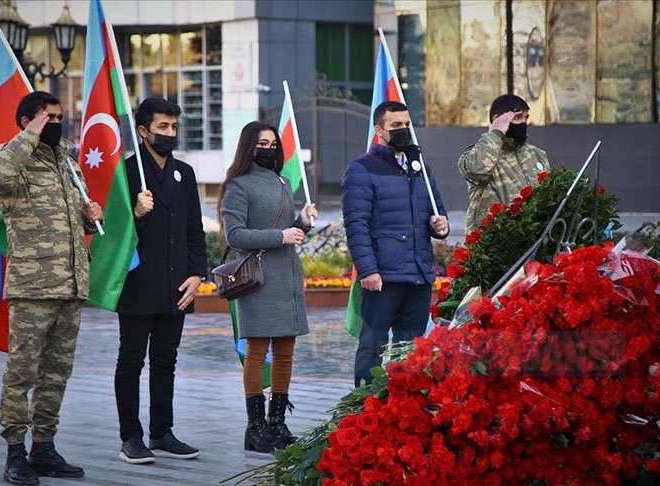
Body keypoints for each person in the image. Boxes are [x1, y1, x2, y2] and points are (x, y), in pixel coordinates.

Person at [0, 91, 103, 485]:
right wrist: (29, 135)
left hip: (70, 284)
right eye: (47, 118)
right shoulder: (11, 160)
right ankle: (15, 453)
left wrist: (89, 218)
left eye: (59, 116)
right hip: (33, 286)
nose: (56, 123)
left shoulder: (67, 162)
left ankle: (44, 448)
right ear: (26, 122)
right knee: (22, 374)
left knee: (56, 375)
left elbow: (74, 223)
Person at [114, 98, 206, 464]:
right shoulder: (127, 172)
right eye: (162, 127)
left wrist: (198, 274)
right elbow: (110, 232)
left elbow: (194, 228)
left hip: (177, 285)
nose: (169, 133)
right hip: (139, 284)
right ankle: (130, 436)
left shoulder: (184, 173)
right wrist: (135, 213)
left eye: (173, 127)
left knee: (166, 360)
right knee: (132, 359)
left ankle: (162, 432)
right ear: (143, 131)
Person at [218, 121, 318, 453]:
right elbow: (235, 235)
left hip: (287, 276)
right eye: (262, 143)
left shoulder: (283, 180)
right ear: (249, 146)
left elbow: (290, 230)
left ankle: (277, 423)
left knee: (286, 354)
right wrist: (280, 236)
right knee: (258, 352)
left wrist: (302, 222)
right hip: (258, 278)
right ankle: (255, 427)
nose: (269, 148)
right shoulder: (237, 185)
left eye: (274, 143)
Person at [342, 101, 449, 388]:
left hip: (418, 274)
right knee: (373, 347)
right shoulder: (362, 169)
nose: (403, 130)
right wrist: (367, 271)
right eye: (396, 126)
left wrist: (441, 225)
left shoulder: (420, 167)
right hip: (383, 277)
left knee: (410, 351)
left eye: (406, 124)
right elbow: (356, 225)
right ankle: (361, 411)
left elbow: (437, 210)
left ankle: (401, 413)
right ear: (379, 131)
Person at [458, 94, 550, 232]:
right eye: (518, 117)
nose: (523, 122)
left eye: (526, 118)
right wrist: (496, 132)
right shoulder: (478, 154)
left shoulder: (537, 154)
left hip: (533, 241)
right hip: (494, 242)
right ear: (497, 119)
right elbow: (477, 171)